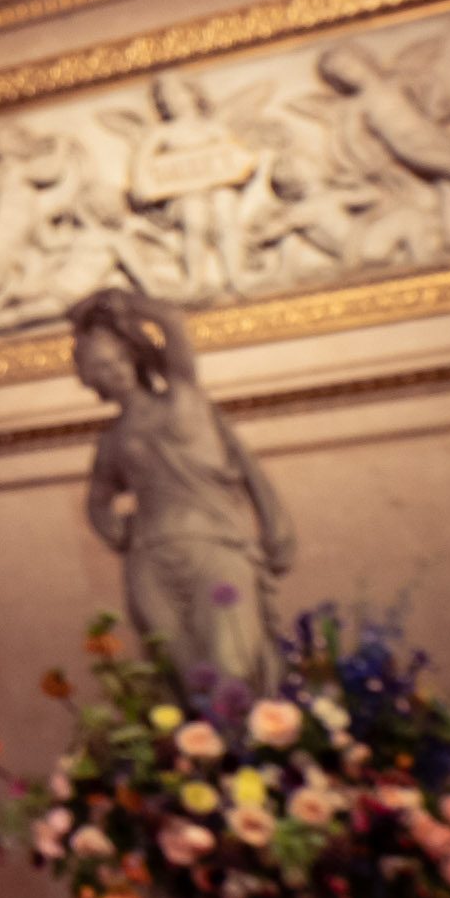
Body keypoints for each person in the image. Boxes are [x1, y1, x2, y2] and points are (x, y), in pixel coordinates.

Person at [72, 289, 295, 691]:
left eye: (120, 359)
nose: (116, 372)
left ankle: (253, 749)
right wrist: (118, 530)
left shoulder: (184, 397)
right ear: (92, 381)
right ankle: (203, 753)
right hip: (150, 561)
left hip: (216, 547)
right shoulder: (112, 440)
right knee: (187, 680)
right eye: (102, 369)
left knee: (235, 669)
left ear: (135, 356)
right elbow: (97, 501)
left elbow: (172, 322)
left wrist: (120, 303)